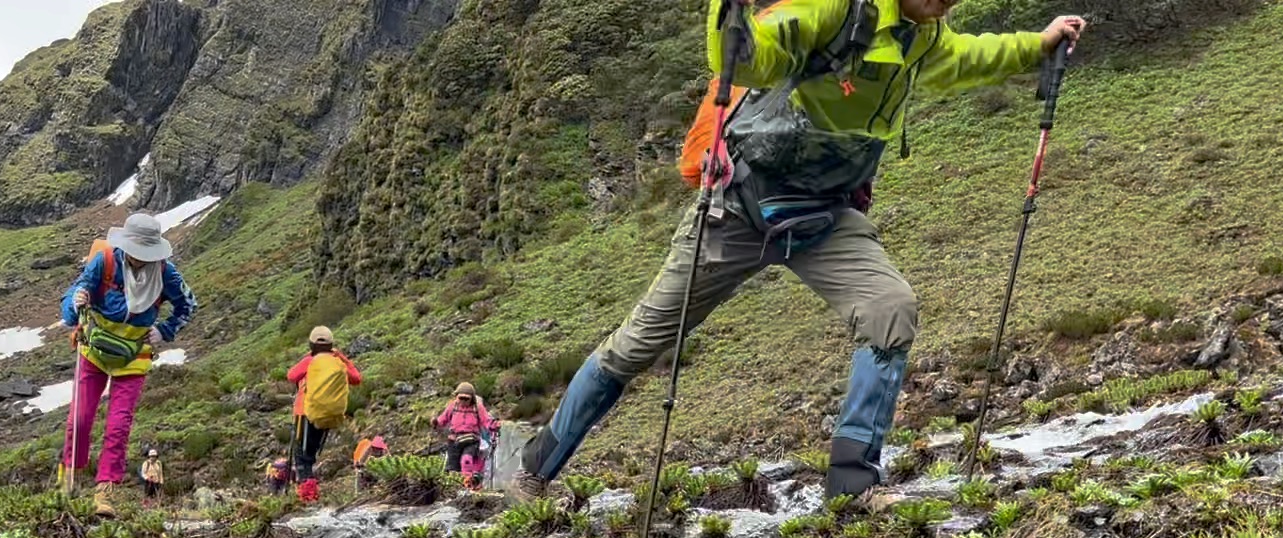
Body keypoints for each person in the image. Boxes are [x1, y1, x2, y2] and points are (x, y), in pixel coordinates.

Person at [511, 0, 1086, 506]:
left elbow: (970, 56)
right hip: (737, 210)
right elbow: (754, 55)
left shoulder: (922, 37)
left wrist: (1039, 42)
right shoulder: (834, 9)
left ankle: (852, 487)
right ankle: (536, 471)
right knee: (639, 344)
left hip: (824, 216)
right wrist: (729, 12)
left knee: (889, 308)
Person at [61, 212, 199, 517]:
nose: (139, 259)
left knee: (119, 425)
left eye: (145, 254)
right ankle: (68, 482)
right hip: (94, 350)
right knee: (79, 420)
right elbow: (73, 293)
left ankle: (104, 493)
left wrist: (165, 330)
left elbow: (188, 304)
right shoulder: (105, 261)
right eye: (136, 252)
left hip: (134, 356)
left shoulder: (166, 273)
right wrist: (77, 302)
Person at [285, 326, 362, 502]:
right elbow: (356, 378)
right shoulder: (337, 362)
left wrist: (309, 358)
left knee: (302, 457)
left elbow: (291, 375)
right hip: (327, 414)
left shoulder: (311, 361)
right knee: (310, 456)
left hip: (304, 412)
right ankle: (310, 494)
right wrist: (341, 357)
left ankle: (308, 497)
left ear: (312, 344)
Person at [433, 383, 499, 488]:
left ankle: (468, 486)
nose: (463, 401)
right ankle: (454, 487)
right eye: (461, 398)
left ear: (472, 398)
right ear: (456, 396)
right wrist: (436, 422)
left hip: (471, 440)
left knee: (466, 461)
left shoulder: (478, 408)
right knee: (453, 468)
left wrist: (494, 426)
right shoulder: (452, 406)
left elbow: (486, 420)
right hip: (454, 440)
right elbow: (443, 419)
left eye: (466, 399)